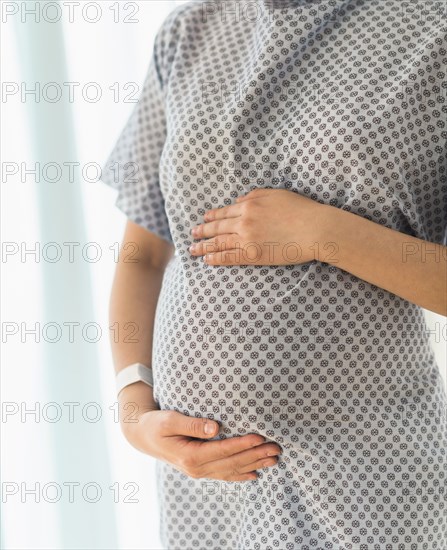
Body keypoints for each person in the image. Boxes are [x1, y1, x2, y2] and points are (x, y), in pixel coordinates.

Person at [101, 0, 447, 548]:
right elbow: (141, 256)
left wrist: (322, 233)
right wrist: (134, 413)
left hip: (365, 488)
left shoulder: (432, 31)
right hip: (205, 490)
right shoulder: (190, 32)